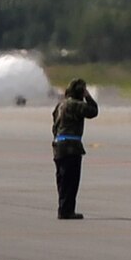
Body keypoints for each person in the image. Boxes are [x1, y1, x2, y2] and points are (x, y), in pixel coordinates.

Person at [51, 77, 98, 220]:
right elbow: (93, 111)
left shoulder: (60, 105)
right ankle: (67, 211)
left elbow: (54, 125)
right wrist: (88, 96)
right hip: (71, 147)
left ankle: (63, 208)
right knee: (71, 181)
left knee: (62, 180)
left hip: (58, 145)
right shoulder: (76, 105)